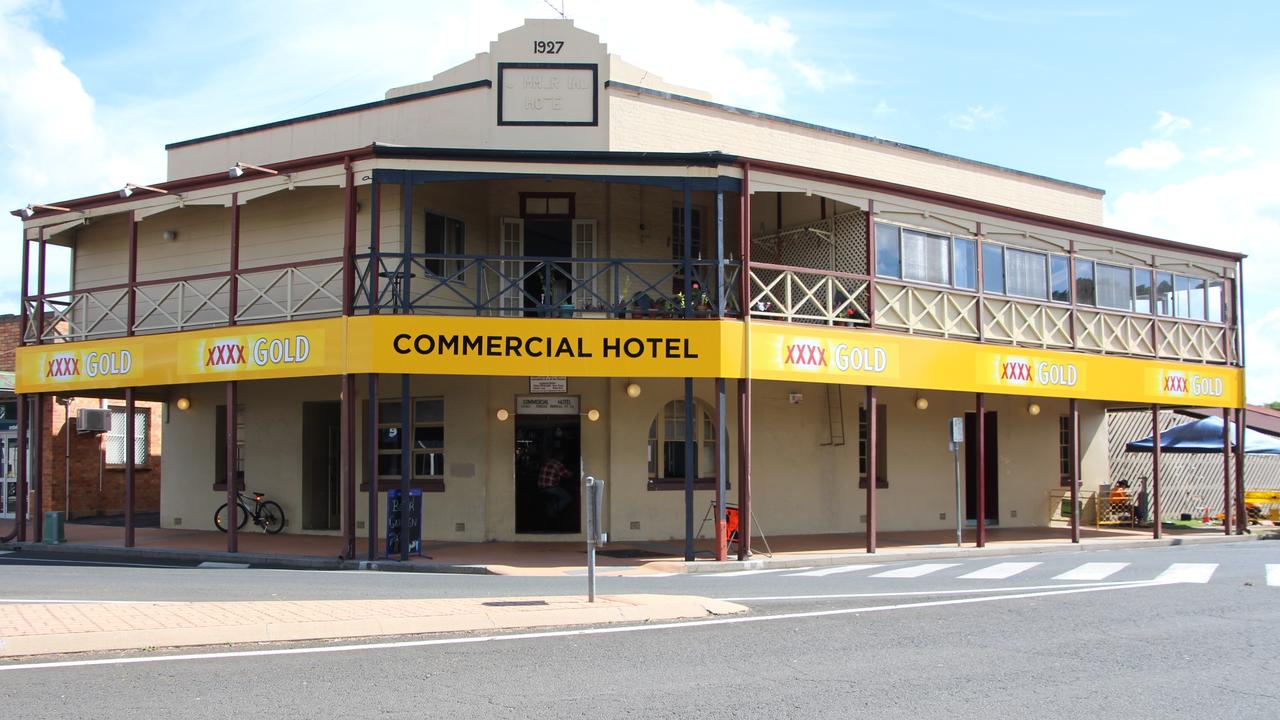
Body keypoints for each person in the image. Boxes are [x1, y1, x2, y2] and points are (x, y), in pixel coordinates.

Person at [538, 451, 573, 516]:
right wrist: (572, 472)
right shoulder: (558, 464)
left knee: (558, 490)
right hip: (551, 488)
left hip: (541, 488)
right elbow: (566, 475)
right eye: (563, 456)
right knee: (568, 497)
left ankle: (551, 506)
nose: (563, 458)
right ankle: (554, 509)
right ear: (560, 456)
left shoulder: (546, 462)